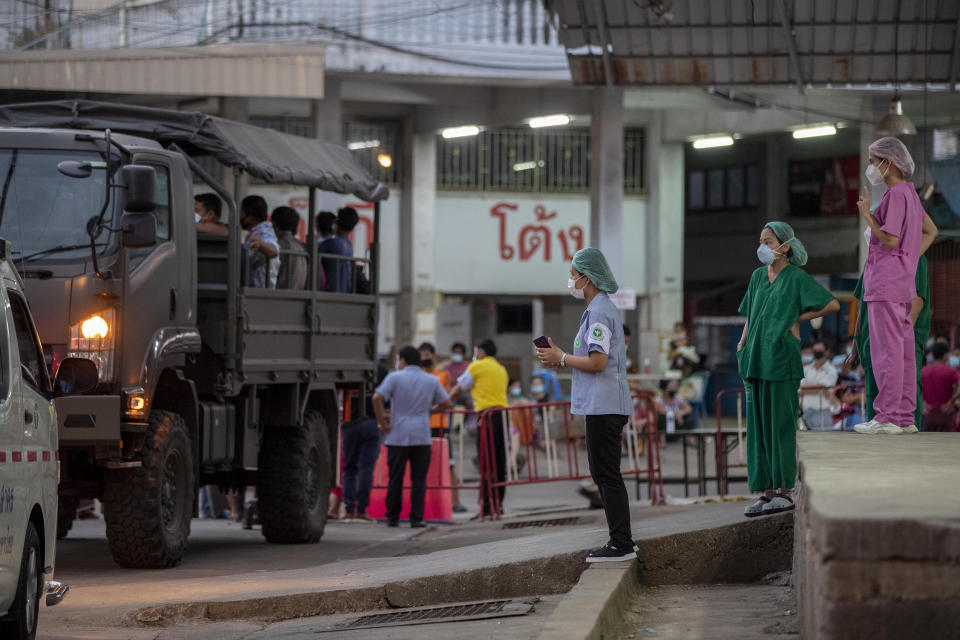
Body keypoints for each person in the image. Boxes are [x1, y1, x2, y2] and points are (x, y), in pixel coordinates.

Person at [536, 247, 635, 562]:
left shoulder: (600, 311)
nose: (570, 280)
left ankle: (621, 543)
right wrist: (560, 356)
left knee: (606, 474)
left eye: (572, 274)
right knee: (602, 472)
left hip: (605, 405)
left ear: (587, 278)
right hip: (600, 404)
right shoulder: (595, 310)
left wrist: (562, 358)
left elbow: (598, 362)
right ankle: (619, 540)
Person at [738, 222, 839, 518]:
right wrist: (742, 345)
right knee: (759, 428)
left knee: (780, 424)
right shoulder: (758, 277)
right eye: (761, 241)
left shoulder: (796, 278)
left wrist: (797, 318)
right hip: (755, 358)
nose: (762, 246)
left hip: (781, 358)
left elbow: (832, 305)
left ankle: (784, 491)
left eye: (768, 241)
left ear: (785, 246)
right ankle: (767, 493)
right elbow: (750, 314)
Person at [853, 137, 938, 434]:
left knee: (886, 351)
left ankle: (887, 415)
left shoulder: (894, 195)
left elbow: (889, 239)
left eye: (873, 161)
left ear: (888, 162)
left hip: (885, 283)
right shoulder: (911, 196)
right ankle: (903, 416)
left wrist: (867, 215)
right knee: (901, 351)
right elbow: (931, 231)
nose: (871, 167)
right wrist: (909, 257)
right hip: (901, 283)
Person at [373, 346, 451, 528]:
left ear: (403, 360)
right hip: (421, 434)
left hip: (397, 434)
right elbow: (446, 402)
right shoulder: (430, 380)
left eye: (398, 359)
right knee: (419, 479)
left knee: (395, 478)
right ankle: (416, 518)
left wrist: (382, 423)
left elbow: (376, 398)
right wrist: (430, 411)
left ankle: (392, 517)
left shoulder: (394, 377)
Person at [448, 339, 509, 519]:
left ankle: (487, 507)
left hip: (487, 417)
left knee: (486, 462)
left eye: (476, 351)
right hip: (501, 416)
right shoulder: (501, 368)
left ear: (481, 352)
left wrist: (444, 403)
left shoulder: (477, 366)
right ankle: (498, 504)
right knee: (498, 461)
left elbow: (459, 389)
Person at [341, 363, 389, 523]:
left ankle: (348, 509)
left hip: (350, 424)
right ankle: (361, 510)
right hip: (371, 424)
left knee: (349, 469)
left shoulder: (353, 369)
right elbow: (386, 401)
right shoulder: (382, 372)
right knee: (366, 469)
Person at [239, 195, 279, 288]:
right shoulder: (254, 232)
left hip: (260, 292)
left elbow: (273, 251)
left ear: (250, 216)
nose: (239, 217)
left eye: (241, 213)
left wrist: (261, 245)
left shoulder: (264, 231)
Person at [799, 340, 840, 431]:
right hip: (805, 411)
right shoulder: (806, 369)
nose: (817, 352)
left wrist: (807, 388)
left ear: (826, 352)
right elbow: (801, 388)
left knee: (824, 442)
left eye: (820, 350)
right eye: (815, 350)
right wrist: (817, 387)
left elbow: (821, 388)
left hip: (822, 412)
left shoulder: (831, 370)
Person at [920, 343, 960, 432]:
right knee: (947, 444)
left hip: (928, 415)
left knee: (927, 444)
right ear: (945, 355)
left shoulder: (924, 370)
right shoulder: (951, 371)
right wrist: (952, 401)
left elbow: (917, 388)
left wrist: (922, 403)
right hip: (946, 413)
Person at [319, 206, 359, 293]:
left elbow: (312, 251)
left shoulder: (332, 243)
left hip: (331, 292)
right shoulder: (349, 245)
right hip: (345, 292)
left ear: (337, 223)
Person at [419, 342, 451, 437]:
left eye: (427, 355)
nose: (424, 358)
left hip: (438, 422)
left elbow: (445, 397)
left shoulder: (443, 374)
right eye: (421, 355)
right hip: (420, 423)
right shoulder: (416, 375)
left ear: (433, 356)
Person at [272, 206, 308, 290]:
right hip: (298, 296)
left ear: (274, 224)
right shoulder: (301, 246)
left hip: (280, 297)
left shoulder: (278, 245)